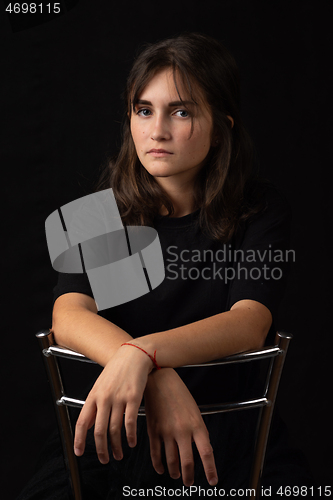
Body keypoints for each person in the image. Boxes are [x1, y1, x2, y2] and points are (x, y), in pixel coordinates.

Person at [18, 32, 313, 499]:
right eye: (143, 110)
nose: (157, 131)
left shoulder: (258, 210)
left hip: (229, 433)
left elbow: (250, 321)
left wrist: (143, 355)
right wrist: (155, 374)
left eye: (181, 111)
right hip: (113, 435)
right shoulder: (98, 216)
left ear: (222, 125)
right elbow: (68, 315)